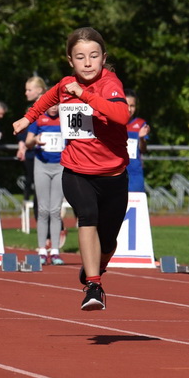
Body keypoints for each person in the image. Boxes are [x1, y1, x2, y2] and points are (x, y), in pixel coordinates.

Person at [12, 27, 128, 311]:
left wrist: (85, 95)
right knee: (87, 216)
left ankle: (95, 267)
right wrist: (28, 118)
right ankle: (93, 286)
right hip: (77, 170)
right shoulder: (66, 84)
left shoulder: (110, 84)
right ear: (70, 60)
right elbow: (47, 98)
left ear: (103, 58)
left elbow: (121, 114)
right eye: (80, 57)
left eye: (93, 56)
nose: (87, 63)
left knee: (109, 242)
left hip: (113, 175)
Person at [25, 102, 65, 265]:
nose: (54, 108)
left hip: (60, 166)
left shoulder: (65, 119)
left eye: (57, 105)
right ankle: (42, 250)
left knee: (55, 210)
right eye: (51, 104)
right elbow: (27, 142)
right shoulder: (38, 119)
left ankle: (55, 251)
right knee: (43, 209)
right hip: (42, 165)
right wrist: (35, 140)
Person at [16, 77, 45, 231]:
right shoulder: (31, 109)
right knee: (36, 191)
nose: (26, 93)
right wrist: (23, 145)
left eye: (29, 90)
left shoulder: (51, 107)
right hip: (33, 154)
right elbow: (25, 132)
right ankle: (43, 231)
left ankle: (56, 228)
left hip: (51, 156)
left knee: (47, 195)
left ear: (39, 90)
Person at [125, 90, 150, 193]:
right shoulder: (112, 123)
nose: (129, 109)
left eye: (132, 106)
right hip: (115, 171)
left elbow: (143, 150)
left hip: (134, 172)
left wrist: (142, 138)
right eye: (126, 105)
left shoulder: (140, 124)